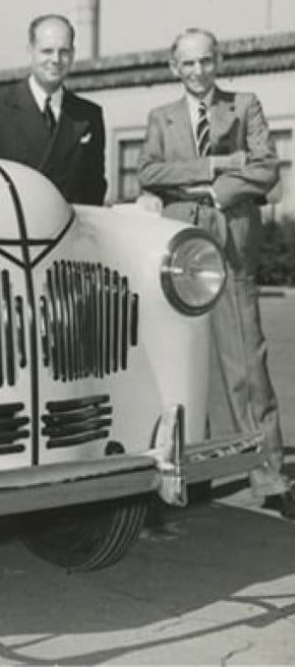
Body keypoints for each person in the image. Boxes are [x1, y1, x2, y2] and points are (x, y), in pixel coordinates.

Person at [137, 27, 294, 519]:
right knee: (183, 362)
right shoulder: (159, 118)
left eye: (205, 61)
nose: (198, 71)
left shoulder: (244, 105)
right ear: (173, 67)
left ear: (219, 60)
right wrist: (217, 166)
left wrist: (212, 192)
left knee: (246, 363)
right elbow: (148, 173)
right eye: (187, 64)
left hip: (230, 247)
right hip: (177, 251)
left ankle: (270, 475)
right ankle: (195, 471)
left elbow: (267, 167)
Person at [0, 14, 107, 205]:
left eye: (64, 51)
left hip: (65, 229)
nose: (56, 59)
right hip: (11, 226)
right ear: (30, 50)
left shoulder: (88, 115)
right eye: (47, 51)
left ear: (73, 54)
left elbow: (95, 187)